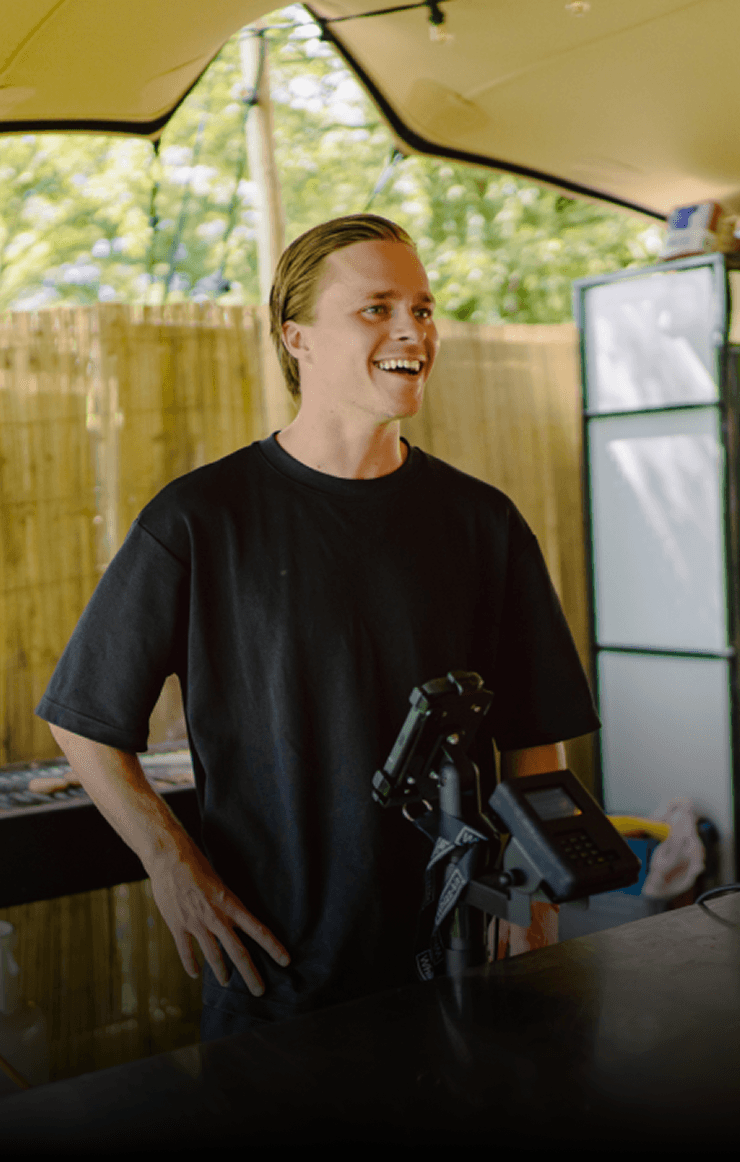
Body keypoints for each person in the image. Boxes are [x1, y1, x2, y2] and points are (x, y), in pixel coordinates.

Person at [36, 214, 600, 1042]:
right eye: (377, 308)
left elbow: (534, 736)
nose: (414, 329)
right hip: (275, 975)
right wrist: (172, 864)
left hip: (462, 964)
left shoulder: (484, 522)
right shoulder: (200, 520)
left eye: (424, 307)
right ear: (297, 338)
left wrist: (535, 886)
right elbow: (83, 719)